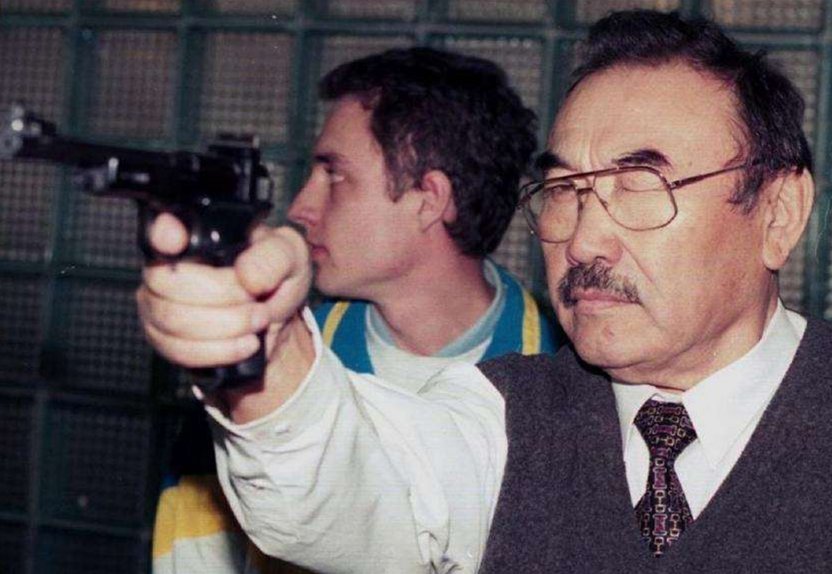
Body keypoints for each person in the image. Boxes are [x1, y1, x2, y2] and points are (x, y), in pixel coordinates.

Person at [139, 10, 832, 574]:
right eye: (564, 188)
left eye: (641, 183)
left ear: (779, 212)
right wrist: (265, 358)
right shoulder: (498, 414)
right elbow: (350, 490)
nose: (585, 239)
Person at [146, 47, 560, 573]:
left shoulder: (570, 378)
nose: (300, 208)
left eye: (334, 174)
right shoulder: (264, 372)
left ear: (429, 199)